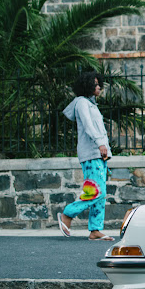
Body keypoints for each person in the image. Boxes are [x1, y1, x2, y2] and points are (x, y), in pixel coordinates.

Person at [58, 71, 114, 241]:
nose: (99, 87)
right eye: (95, 84)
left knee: (101, 193)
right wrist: (100, 144)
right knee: (95, 191)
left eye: (99, 84)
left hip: (99, 154)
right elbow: (89, 127)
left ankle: (95, 230)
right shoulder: (81, 103)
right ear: (87, 86)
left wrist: (104, 150)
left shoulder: (91, 104)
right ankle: (67, 214)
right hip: (91, 154)